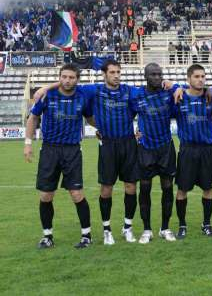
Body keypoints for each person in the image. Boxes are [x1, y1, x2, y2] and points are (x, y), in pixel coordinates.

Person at [33, 60, 141, 244]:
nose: (116, 75)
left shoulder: (129, 90)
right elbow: (69, 82)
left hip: (129, 143)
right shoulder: (93, 90)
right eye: (112, 72)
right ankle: (106, 230)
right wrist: (45, 88)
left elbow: (147, 98)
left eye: (118, 72)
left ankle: (127, 227)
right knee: (106, 188)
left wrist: (175, 86)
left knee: (131, 187)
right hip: (107, 144)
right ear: (104, 74)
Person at [24, 64, 94, 249]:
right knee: (46, 195)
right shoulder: (47, 95)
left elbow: (89, 118)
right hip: (50, 150)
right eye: (64, 77)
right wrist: (28, 143)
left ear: (77, 79)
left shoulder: (83, 96)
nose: (67, 80)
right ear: (59, 77)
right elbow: (33, 118)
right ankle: (47, 236)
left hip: (72, 150)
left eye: (71, 77)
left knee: (77, 194)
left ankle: (86, 235)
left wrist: (101, 129)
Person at [129, 63, 178, 244]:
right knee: (145, 189)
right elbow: (126, 114)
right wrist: (133, 131)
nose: (157, 77)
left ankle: (165, 228)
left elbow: (190, 90)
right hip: (145, 149)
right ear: (145, 76)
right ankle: (147, 229)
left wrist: (176, 86)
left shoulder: (168, 94)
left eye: (159, 74)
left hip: (165, 148)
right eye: (153, 74)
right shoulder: (137, 95)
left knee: (167, 188)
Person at [173, 64, 212, 238]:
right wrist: (177, 88)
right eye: (197, 76)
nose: (200, 79)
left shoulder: (211, 98)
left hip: (206, 150)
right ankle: (182, 225)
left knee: (208, 188)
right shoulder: (179, 98)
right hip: (187, 150)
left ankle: (206, 224)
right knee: (182, 189)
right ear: (188, 79)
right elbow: (166, 86)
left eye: (203, 76)